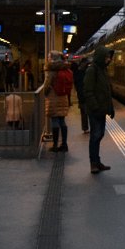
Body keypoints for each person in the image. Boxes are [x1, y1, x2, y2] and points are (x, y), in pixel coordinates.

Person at [82, 46, 115, 174]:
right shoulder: (92, 70)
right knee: (95, 136)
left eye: (109, 57)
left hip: (101, 110)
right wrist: (95, 107)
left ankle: (97, 161)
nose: (108, 59)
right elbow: (88, 91)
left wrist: (110, 108)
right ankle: (93, 164)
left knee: (99, 135)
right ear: (101, 57)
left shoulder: (103, 70)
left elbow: (107, 91)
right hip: (95, 110)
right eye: (107, 57)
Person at [42, 51, 74, 153]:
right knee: (62, 121)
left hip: (53, 97)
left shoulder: (52, 69)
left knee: (55, 120)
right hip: (63, 97)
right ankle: (64, 144)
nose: (48, 58)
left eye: (49, 56)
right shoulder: (65, 68)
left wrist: (45, 92)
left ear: (53, 58)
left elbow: (47, 85)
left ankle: (55, 145)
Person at [72, 56, 90, 134]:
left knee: (85, 112)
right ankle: (85, 127)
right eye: (86, 63)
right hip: (83, 95)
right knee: (85, 112)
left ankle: (85, 128)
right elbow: (77, 85)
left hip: (84, 95)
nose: (87, 65)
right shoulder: (82, 72)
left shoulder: (78, 72)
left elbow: (76, 85)